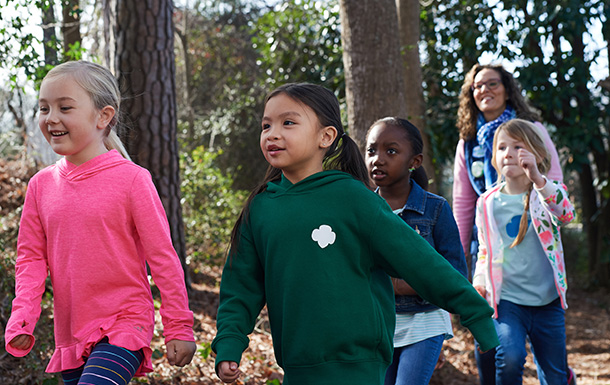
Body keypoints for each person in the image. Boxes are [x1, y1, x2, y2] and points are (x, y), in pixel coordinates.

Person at [211, 82, 499, 385]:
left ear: (326, 136)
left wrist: (475, 313)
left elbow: (420, 260)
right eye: (266, 125)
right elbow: (241, 286)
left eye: (288, 123)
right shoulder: (261, 207)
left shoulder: (353, 198)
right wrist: (229, 342)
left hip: (358, 363)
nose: (273, 133)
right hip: (297, 367)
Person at [4, 61, 197, 384]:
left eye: (65, 107)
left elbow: (162, 257)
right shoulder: (40, 186)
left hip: (124, 322)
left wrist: (178, 325)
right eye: (43, 108)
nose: (51, 118)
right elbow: (30, 260)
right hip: (71, 332)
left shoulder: (132, 180)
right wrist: (22, 318)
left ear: (103, 117)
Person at [452, 63, 570, 385]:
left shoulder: (532, 130)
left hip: (536, 229)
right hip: (491, 245)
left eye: (492, 83)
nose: (484, 90)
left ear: (506, 89)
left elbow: (560, 199)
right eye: (477, 87)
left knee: (553, 364)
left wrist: (540, 187)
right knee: (501, 346)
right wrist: (461, 257)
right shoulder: (470, 142)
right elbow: (463, 202)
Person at [365, 117, 467, 385]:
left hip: (425, 323)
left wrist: (399, 285)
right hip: (378, 326)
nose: (378, 159)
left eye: (391, 151)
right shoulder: (361, 210)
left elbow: (455, 273)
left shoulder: (436, 209)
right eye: (371, 150)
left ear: (415, 161)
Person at [473, 119, 575, 384]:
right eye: (502, 147)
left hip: (548, 302)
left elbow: (566, 215)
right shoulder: (486, 203)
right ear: (494, 157)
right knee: (510, 358)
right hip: (508, 301)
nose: (508, 153)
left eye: (517, 146)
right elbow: (485, 250)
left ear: (537, 154)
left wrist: (539, 179)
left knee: (554, 374)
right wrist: (480, 282)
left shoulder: (547, 193)